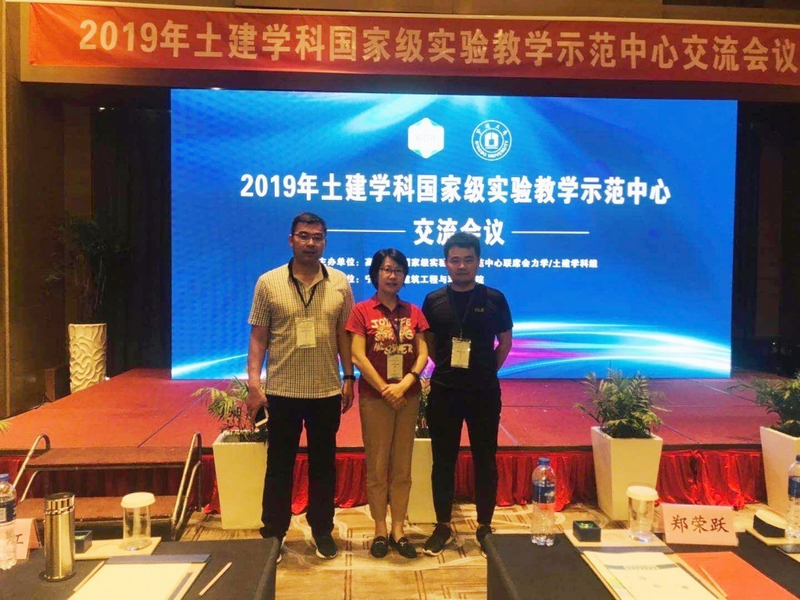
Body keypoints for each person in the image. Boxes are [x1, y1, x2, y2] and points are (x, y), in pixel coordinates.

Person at [246, 212, 355, 561]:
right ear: (291, 239)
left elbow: (344, 335)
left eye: (317, 237)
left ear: (325, 242)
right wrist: (254, 383)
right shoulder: (269, 282)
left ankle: (322, 529)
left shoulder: (340, 283)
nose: (311, 243)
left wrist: (349, 377)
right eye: (304, 236)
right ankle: (273, 533)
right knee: (279, 465)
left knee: (324, 465)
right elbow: (258, 337)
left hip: (325, 390)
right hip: (282, 391)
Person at [420, 232, 513, 557]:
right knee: (443, 461)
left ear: (478, 261)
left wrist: (485, 370)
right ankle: (442, 525)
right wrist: (447, 368)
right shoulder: (433, 300)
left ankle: (485, 526)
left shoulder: (494, 298)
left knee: (485, 460)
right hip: (445, 391)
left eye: (468, 260)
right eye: (455, 260)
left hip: (484, 392)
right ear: (446, 263)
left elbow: (505, 343)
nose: (461, 266)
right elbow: (429, 343)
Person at [347, 249, 429, 560]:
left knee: (403, 465)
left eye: (398, 270)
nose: (392, 275)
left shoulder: (414, 312)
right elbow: (357, 356)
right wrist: (385, 389)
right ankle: (380, 529)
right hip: (375, 398)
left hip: (407, 396)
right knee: (378, 464)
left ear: (405, 275)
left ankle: (399, 529)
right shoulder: (361, 311)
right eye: (386, 269)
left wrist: (406, 383)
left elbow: (423, 353)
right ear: (375, 274)